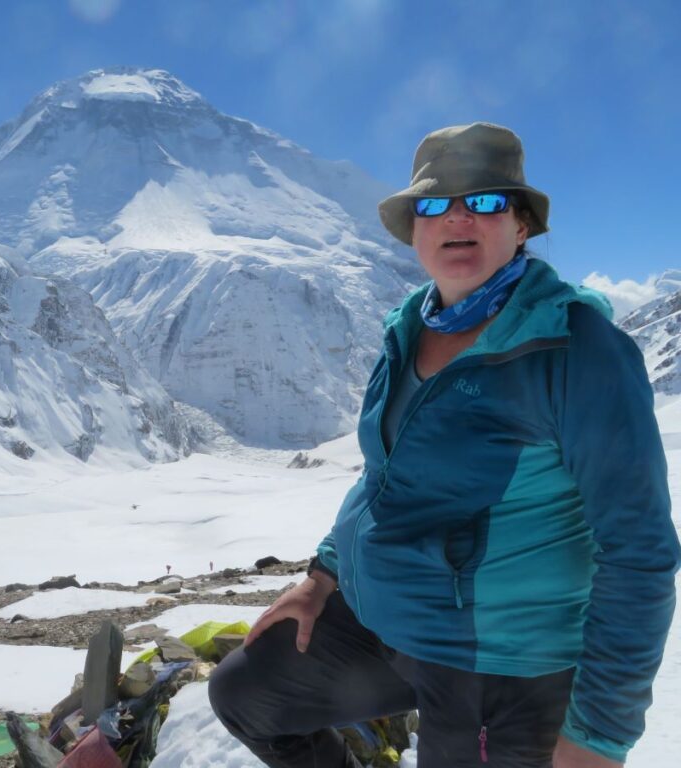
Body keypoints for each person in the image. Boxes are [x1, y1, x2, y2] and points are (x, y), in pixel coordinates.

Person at [209, 123, 679, 768]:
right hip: (389, 625)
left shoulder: (577, 349)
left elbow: (640, 551)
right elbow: (382, 477)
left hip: (500, 664)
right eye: (435, 204)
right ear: (416, 231)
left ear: (521, 226)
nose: (458, 216)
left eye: (485, 201)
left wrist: (599, 733)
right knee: (247, 695)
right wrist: (323, 577)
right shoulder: (407, 329)